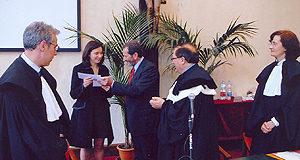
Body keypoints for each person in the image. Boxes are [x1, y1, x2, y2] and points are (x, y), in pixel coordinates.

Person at [0, 21, 71, 160]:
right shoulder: (15, 85)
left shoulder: (40, 73)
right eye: (55, 47)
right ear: (43, 45)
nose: (55, 52)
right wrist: (59, 144)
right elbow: (29, 133)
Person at [149, 42, 220, 160]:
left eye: (173, 58)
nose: (172, 62)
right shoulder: (193, 75)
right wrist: (165, 101)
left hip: (190, 142)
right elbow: (181, 103)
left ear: (182, 60)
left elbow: (182, 115)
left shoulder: (193, 81)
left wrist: (163, 105)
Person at [98, 40, 160, 160]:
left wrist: (113, 83)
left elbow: (135, 90)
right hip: (136, 121)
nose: (124, 59)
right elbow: (129, 90)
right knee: (139, 154)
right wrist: (110, 88)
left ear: (135, 55)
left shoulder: (149, 69)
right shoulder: (137, 68)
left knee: (146, 155)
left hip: (145, 123)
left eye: (126, 56)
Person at [245, 30, 300, 155]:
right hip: (264, 129)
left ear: (285, 47)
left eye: (274, 44)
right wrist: (262, 123)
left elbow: (294, 104)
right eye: (271, 43)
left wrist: (274, 122)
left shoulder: (297, 72)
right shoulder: (269, 70)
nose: (270, 47)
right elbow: (259, 102)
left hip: (283, 129)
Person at [69, 41, 114, 160]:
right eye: (96, 53)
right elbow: (73, 93)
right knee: (86, 145)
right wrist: (83, 86)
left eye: (101, 53)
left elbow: (109, 94)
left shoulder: (104, 70)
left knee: (99, 145)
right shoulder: (78, 69)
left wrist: (107, 89)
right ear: (88, 54)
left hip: (101, 111)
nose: (100, 56)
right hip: (85, 112)